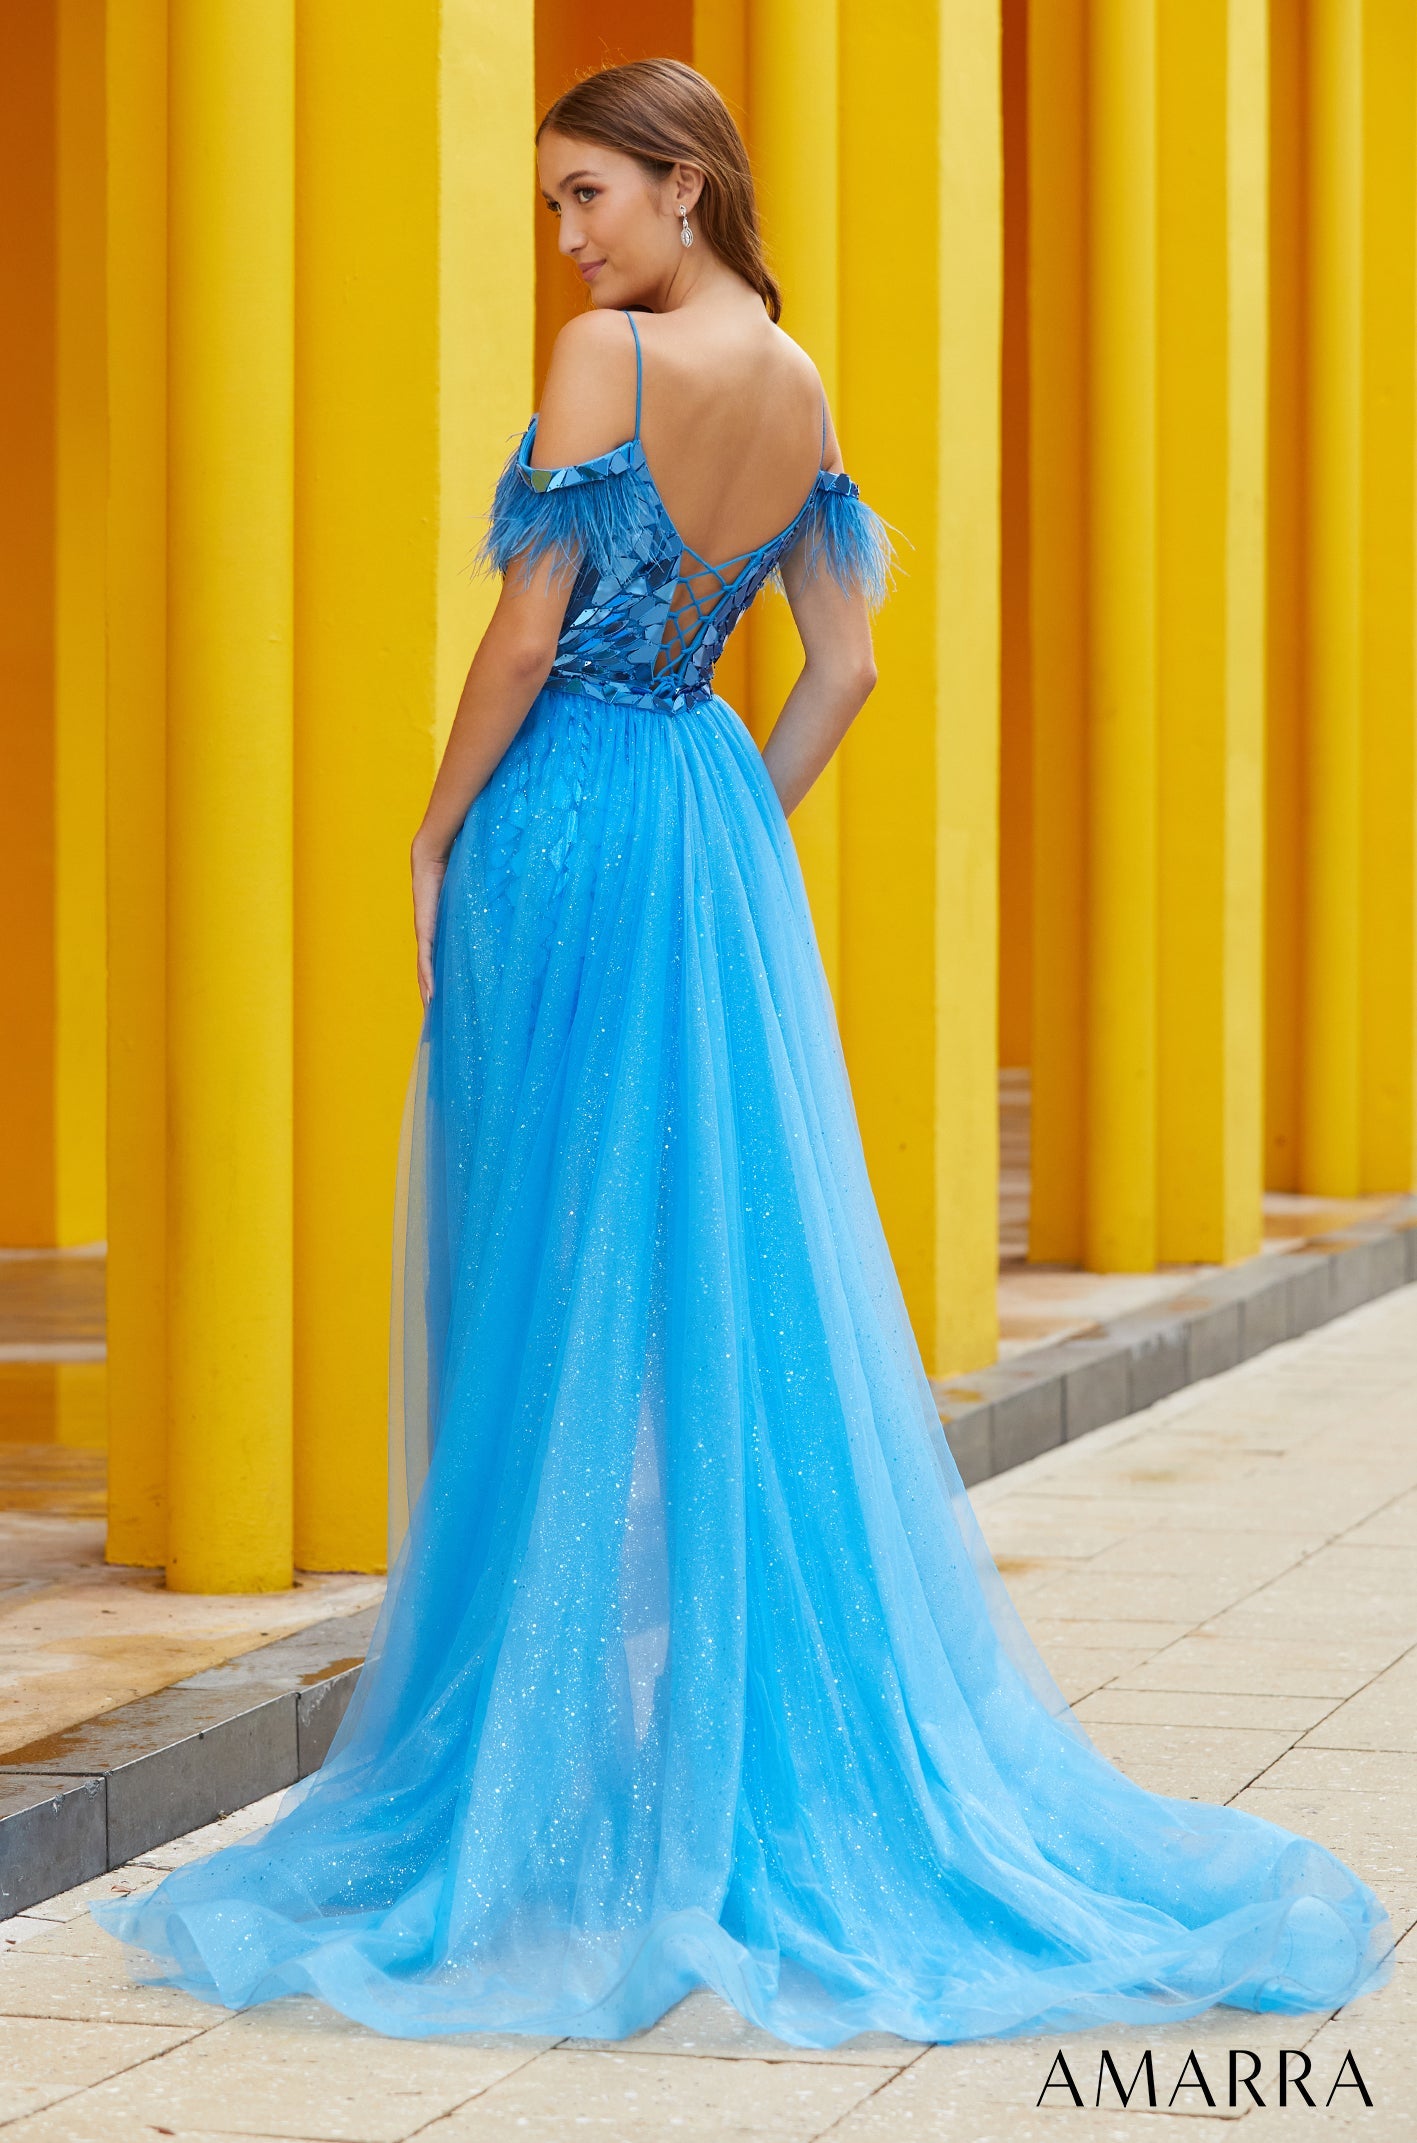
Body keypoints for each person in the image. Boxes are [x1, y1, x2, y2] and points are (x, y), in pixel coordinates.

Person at [95, 58, 1390, 2047]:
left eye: (589, 190)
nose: (570, 235)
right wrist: (733, 825)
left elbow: (528, 633)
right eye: (558, 204)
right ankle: (697, 1760)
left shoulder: (601, 356)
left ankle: (531, 1789)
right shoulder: (791, 377)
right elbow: (850, 663)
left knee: (540, 1280)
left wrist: (439, 826)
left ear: (685, 183)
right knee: (709, 1281)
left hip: (568, 811)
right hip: (702, 815)